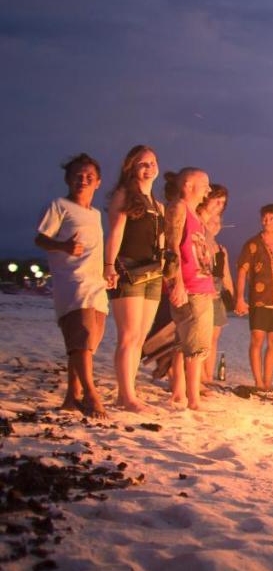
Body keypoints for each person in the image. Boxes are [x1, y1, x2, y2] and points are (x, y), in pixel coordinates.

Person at [34, 153, 110, 418]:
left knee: (85, 344)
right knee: (82, 340)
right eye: (78, 175)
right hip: (72, 282)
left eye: (89, 176)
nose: (83, 180)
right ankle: (91, 395)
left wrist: (108, 272)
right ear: (68, 179)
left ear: (98, 182)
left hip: (96, 284)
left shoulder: (96, 214)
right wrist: (63, 246)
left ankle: (71, 398)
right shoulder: (59, 205)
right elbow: (41, 239)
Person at [102, 145, 164, 412]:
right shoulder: (124, 195)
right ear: (131, 168)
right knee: (127, 336)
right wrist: (108, 265)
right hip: (128, 269)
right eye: (142, 164)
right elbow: (115, 232)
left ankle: (128, 392)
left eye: (152, 163)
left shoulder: (158, 204)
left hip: (153, 272)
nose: (148, 168)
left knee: (139, 336)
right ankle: (126, 396)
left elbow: (161, 240)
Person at [161, 168, 215, 411]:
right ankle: (194, 400)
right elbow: (170, 247)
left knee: (188, 344)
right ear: (189, 184)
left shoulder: (194, 214)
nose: (209, 189)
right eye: (205, 184)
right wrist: (177, 283)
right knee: (195, 345)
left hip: (200, 285)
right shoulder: (178, 208)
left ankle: (181, 394)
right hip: (190, 287)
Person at [235, 204, 273, 391]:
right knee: (257, 339)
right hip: (259, 298)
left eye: (271, 218)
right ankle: (259, 382)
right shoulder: (252, 244)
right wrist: (239, 298)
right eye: (264, 217)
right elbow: (242, 271)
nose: (266, 221)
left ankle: (268, 382)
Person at [201, 209, 235, 384]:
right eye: (210, 222)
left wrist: (233, 297)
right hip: (204, 294)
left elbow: (226, 274)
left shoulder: (221, 249)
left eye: (217, 223)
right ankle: (200, 376)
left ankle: (208, 375)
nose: (214, 226)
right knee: (202, 338)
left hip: (218, 295)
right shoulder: (201, 244)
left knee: (214, 338)